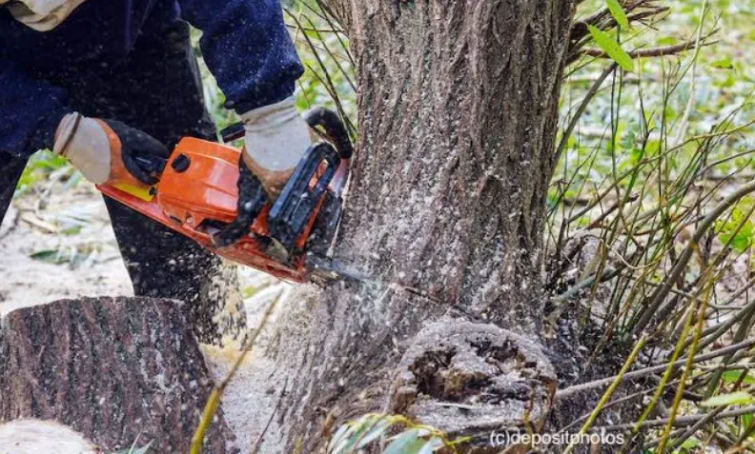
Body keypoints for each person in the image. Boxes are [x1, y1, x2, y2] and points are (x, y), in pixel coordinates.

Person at [0, 0, 312, 342]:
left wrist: (270, 112)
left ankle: (207, 355)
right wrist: (59, 130)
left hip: (133, 34)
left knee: (186, 238)